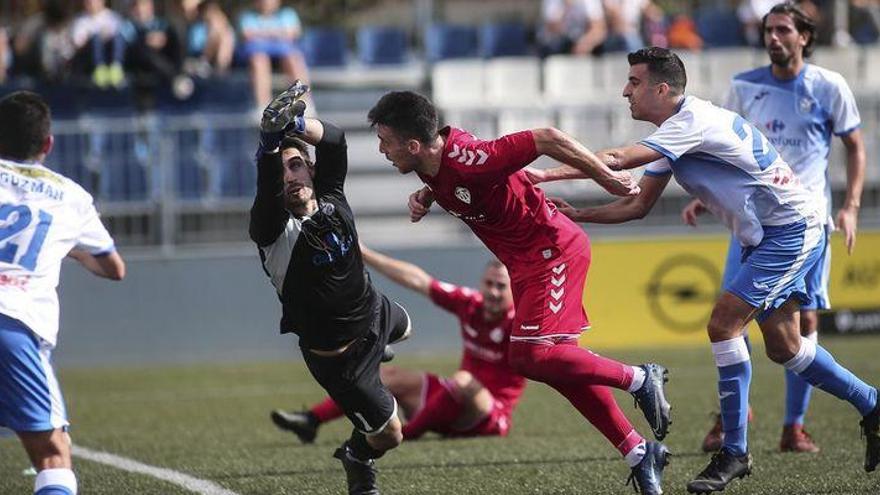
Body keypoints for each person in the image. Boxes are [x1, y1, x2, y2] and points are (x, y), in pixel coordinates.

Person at [529, 46, 879, 494]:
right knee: (785, 347)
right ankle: (872, 404)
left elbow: (615, 160)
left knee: (722, 324)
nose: (624, 92)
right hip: (770, 235)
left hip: (794, 229)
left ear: (661, 88)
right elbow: (638, 205)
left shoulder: (691, 121)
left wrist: (544, 175)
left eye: (634, 83)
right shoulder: (674, 133)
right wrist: (580, 214)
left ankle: (735, 451)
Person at [366, 91, 672, 494]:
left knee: (531, 355)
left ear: (413, 144)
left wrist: (606, 177)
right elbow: (454, 183)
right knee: (556, 366)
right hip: (525, 264)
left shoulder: (471, 158)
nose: (382, 150)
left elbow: (546, 137)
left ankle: (637, 377)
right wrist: (427, 194)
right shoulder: (429, 164)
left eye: (385, 141)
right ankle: (637, 451)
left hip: (554, 251)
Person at [683, 2, 866, 455]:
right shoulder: (744, 87)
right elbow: (725, 147)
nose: (774, 38)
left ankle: (794, 426)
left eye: (783, 29)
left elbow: (855, 147)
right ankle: (732, 421)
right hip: (752, 223)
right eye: (768, 30)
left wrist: (851, 206)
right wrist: (706, 196)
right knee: (732, 316)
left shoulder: (829, 86)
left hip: (809, 222)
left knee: (802, 321)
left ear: (804, 36)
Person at [249, 82, 410, 495]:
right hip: (341, 359)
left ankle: (385, 345)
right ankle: (357, 456)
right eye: (283, 170)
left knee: (406, 326)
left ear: (312, 170)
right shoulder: (272, 232)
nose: (290, 176)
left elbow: (336, 140)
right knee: (391, 435)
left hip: (375, 311)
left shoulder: (333, 197)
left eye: (297, 165)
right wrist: (269, 144)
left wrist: (296, 124)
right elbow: (268, 187)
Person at [0, 91, 126, 495]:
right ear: (48, 143)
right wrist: (66, 247)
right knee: (55, 452)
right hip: (14, 322)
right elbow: (113, 268)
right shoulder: (70, 196)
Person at [271, 246, 527, 442]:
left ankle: (407, 434)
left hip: (491, 415)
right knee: (384, 375)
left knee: (463, 381)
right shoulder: (470, 304)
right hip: (451, 403)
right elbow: (419, 280)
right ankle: (312, 420)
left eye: (501, 287)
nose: (493, 291)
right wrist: (364, 253)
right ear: (481, 283)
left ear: (512, 289)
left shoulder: (520, 321)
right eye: (489, 284)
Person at [237, 0, 310, 109]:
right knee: (259, 61)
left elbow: (293, 33)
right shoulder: (247, 16)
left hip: (284, 55)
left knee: (294, 59)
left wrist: (261, 34)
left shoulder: (288, 14)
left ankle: (304, 103)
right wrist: (278, 33)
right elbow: (247, 35)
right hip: (258, 56)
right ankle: (263, 106)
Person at [71, 0, 128, 89]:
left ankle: (116, 68)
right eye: (88, 2)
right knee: (95, 38)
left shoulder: (113, 17)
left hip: (109, 56)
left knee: (118, 37)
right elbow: (78, 44)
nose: (91, 4)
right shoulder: (80, 20)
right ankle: (99, 70)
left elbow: (120, 39)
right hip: (89, 59)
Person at [538, 0, 608, 57]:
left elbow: (598, 28)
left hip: (584, 41)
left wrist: (584, 44)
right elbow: (553, 29)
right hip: (562, 42)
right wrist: (566, 7)